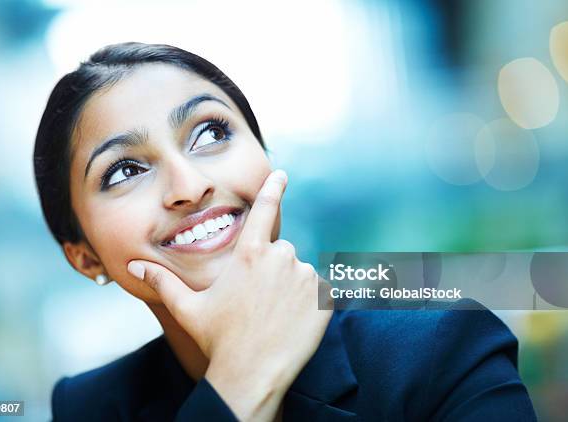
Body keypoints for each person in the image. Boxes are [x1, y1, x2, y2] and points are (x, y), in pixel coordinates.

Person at [34, 42, 537, 421]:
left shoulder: (442, 348)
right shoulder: (89, 405)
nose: (189, 186)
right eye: (125, 171)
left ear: (265, 157)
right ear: (83, 256)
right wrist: (238, 383)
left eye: (211, 133)